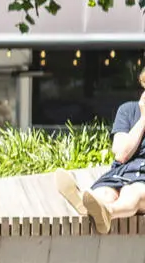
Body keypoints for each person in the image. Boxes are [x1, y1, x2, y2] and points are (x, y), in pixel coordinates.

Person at [57, 65, 145, 234]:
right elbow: (121, 154)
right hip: (120, 173)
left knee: (132, 193)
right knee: (103, 193)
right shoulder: (127, 110)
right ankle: (88, 205)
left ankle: (107, 212)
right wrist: (143, 119)